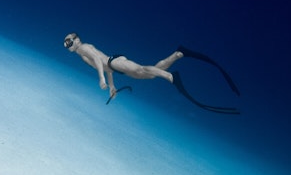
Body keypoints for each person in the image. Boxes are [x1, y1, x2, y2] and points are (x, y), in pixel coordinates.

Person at [63, 32, 241, 114]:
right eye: (66, 44)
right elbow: (103, 66)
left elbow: (97, 60)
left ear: (77, 40)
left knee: (142, 70)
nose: (68, 45)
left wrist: (101, 79)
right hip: (114, 65)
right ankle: (179, 54)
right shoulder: (80, 53)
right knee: (148, 73)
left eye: (70, 41)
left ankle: (170, 77)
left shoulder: (84, 48)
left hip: (114, 62)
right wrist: (111, 86)